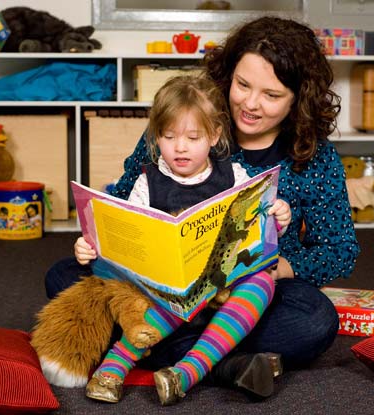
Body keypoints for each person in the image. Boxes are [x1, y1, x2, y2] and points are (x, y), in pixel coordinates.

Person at [45, 15, 359, 403]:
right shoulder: (185, 125)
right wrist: (105, 244)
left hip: (245, 292)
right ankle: (226, 363)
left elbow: (340, 251)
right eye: (242, 85)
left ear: (299, 100)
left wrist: (282, 267)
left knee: (315, 321)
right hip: (158, 287)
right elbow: (124, 203)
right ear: (228, 77)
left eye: (272, 95)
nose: (250, 104)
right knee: (64, 277)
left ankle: (167, 351)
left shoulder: (316, 158)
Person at [76, 75, 291, 405]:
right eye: (168, 136)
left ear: (214, 135)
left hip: (225, 283)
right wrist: (91, 247)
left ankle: (187, 372)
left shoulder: (234, 175)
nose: (180, 147)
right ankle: (113, 368)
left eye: (193, 137)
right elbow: (127, 236)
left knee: (263, 282)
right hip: (168, 288)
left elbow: (260, 231)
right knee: (158, 295)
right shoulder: (148, 182)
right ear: (156, 136)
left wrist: (278, 216)